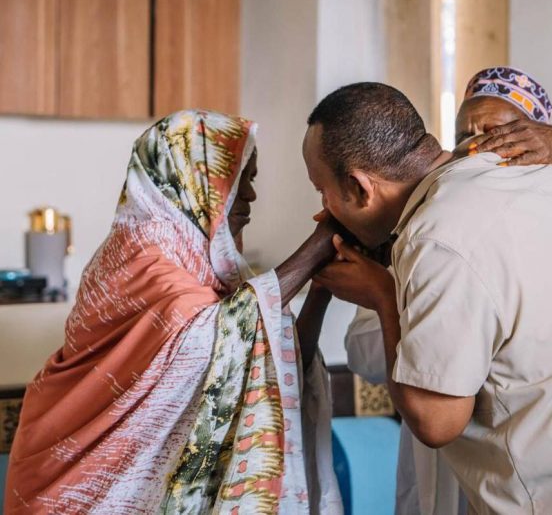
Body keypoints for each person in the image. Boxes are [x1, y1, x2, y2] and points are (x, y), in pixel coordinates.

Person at [306, 83, 552, 514]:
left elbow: (437, 422)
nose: (322, 208)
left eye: (321, 190)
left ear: (360, 186)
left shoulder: (436, 236)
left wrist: (383, 294)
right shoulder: (543, 176)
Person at [6, 110, 343, 514]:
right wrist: (322, 242)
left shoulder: (200, 266)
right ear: (191, 183)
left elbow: (259, 353)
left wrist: (319, 291)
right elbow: (221, 336)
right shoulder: (144, 258)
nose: (251, 195)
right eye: (239, 179)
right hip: (76, 490)